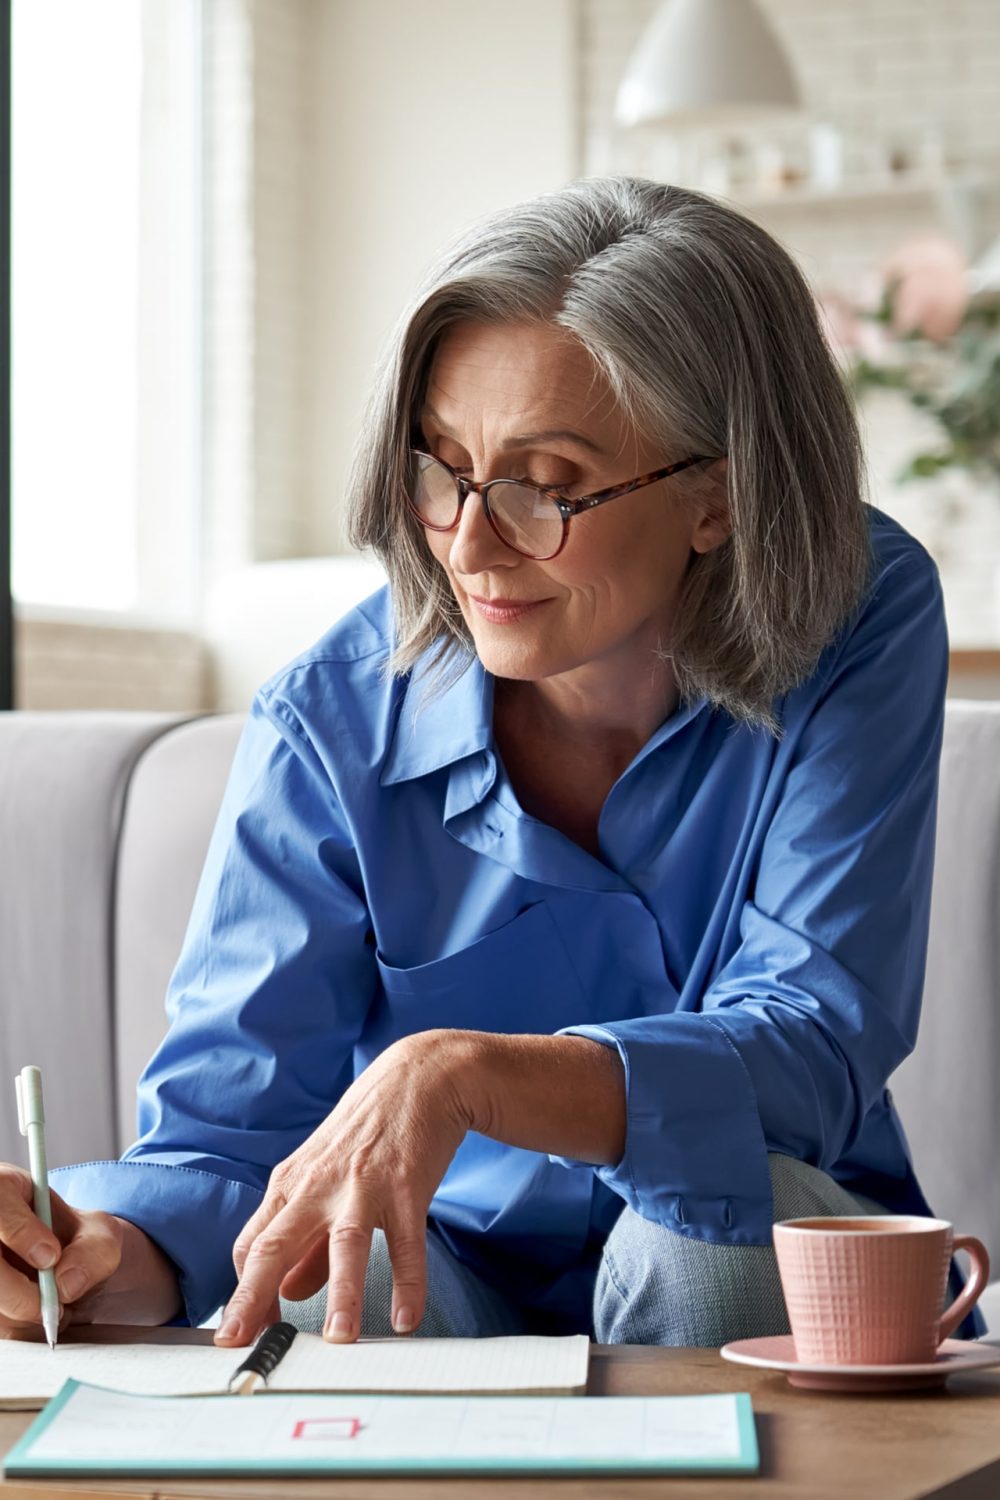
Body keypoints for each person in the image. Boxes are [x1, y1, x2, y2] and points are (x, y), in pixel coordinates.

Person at [0, 177, 975, 1350]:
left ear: (716, 498)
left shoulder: (855, 612)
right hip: (446, 1274)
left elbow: (812, 1039)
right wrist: (103, 1257)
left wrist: (467, 1074)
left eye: (543, 487)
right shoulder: (330, 717)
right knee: (329, 1263)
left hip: (743, 1252)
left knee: (701, 1223)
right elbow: (227, 1137)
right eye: (440, 470)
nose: (469, 545)